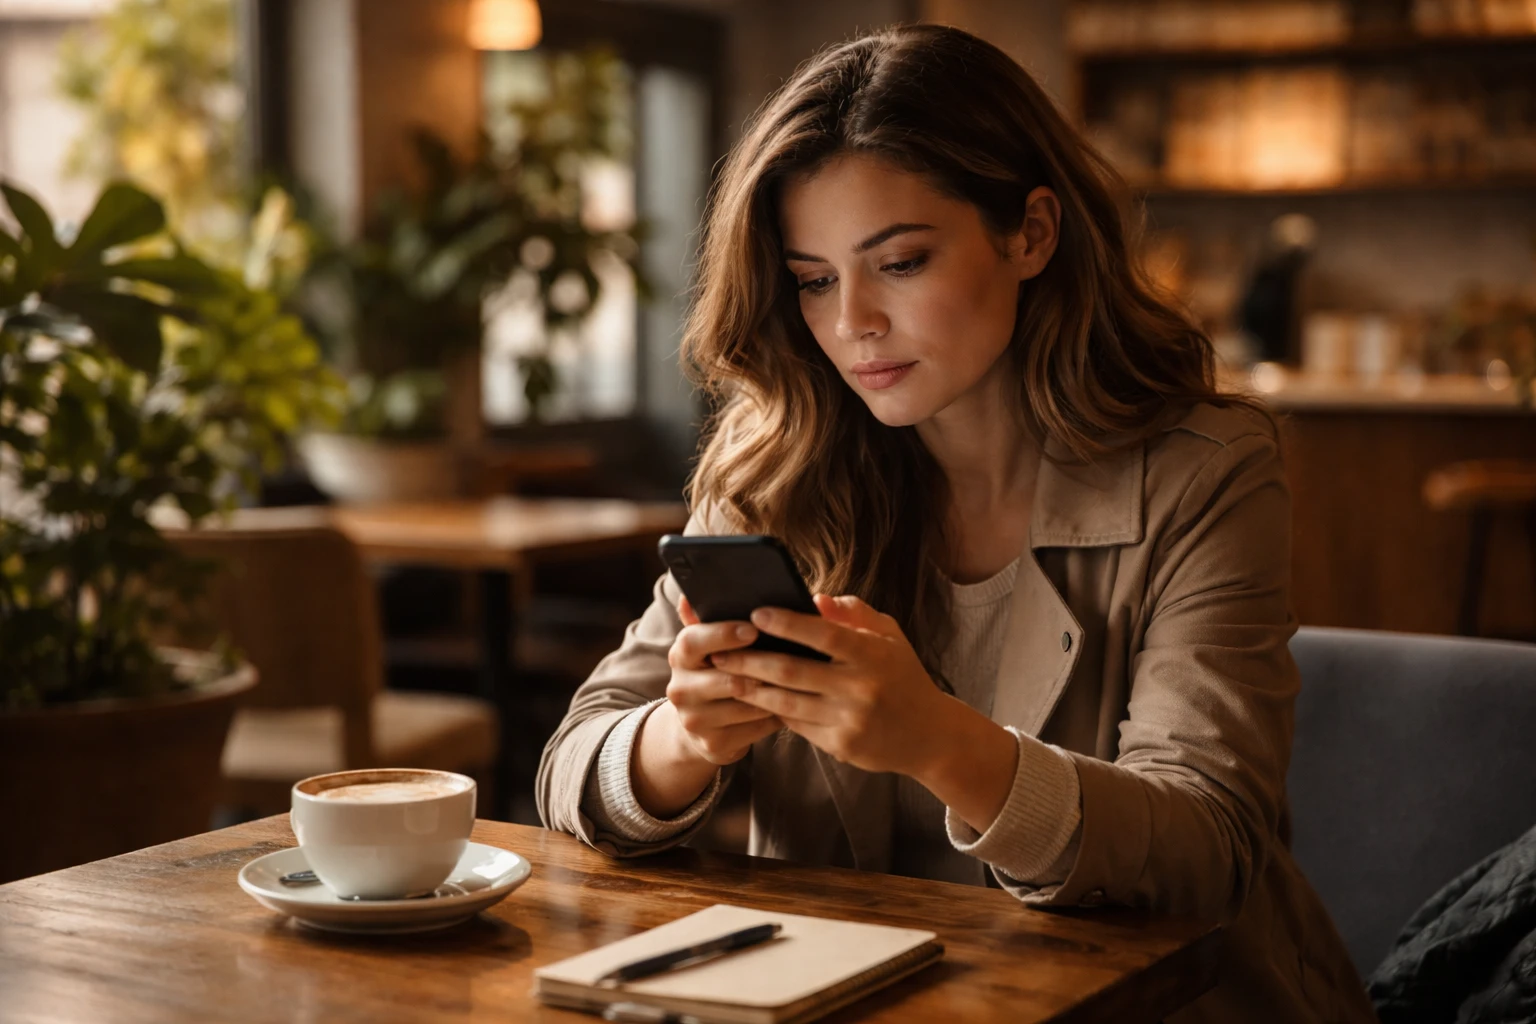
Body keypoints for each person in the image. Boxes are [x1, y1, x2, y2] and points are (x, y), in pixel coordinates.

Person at [537, 24, 1375, 1023]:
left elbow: (1207, 845)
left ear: (1031, 233)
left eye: (899, 263)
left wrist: (938, 742)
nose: (852, 323)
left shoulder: (1205, 471)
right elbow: (570, 765)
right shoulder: (780, 470)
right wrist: (679, 739)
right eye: (812, 278)